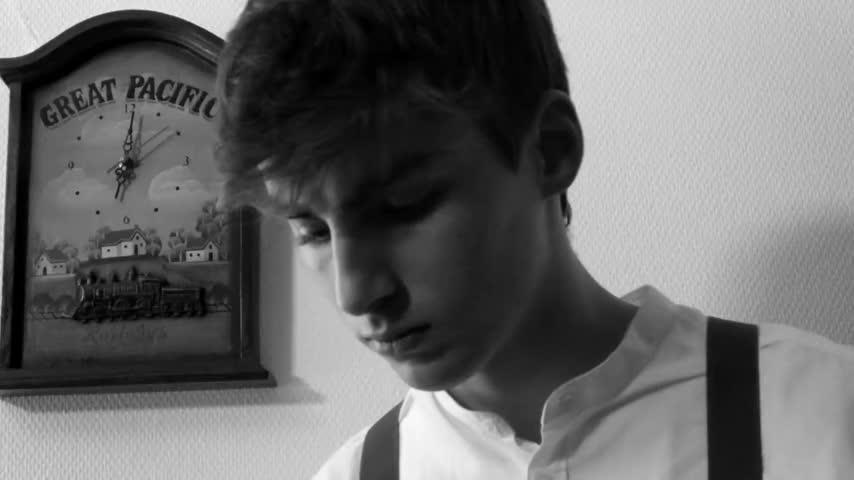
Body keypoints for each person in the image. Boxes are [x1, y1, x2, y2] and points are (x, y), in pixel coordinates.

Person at [215, 1, 854, 478]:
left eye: (403, 206)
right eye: (311, 229)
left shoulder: (828, 417)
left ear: (550, 150)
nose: (355, 292)